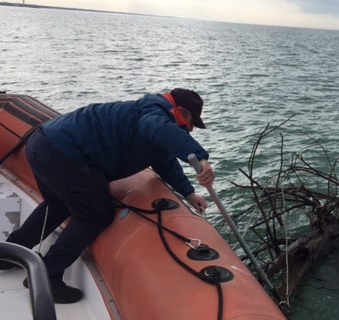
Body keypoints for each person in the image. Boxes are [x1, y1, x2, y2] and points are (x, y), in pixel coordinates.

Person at [0, 88, 215, 303]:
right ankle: (47, 275)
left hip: (43, 144)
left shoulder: (146, 116)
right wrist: (200, 159)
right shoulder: (153, 115)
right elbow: (158, 129)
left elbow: (163, 160)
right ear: (183, 113)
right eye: (190, 125)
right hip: (64, 154)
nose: (189, 131)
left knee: (58, 206)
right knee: (95, 215)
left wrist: (188, 193)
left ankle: (8, 255)